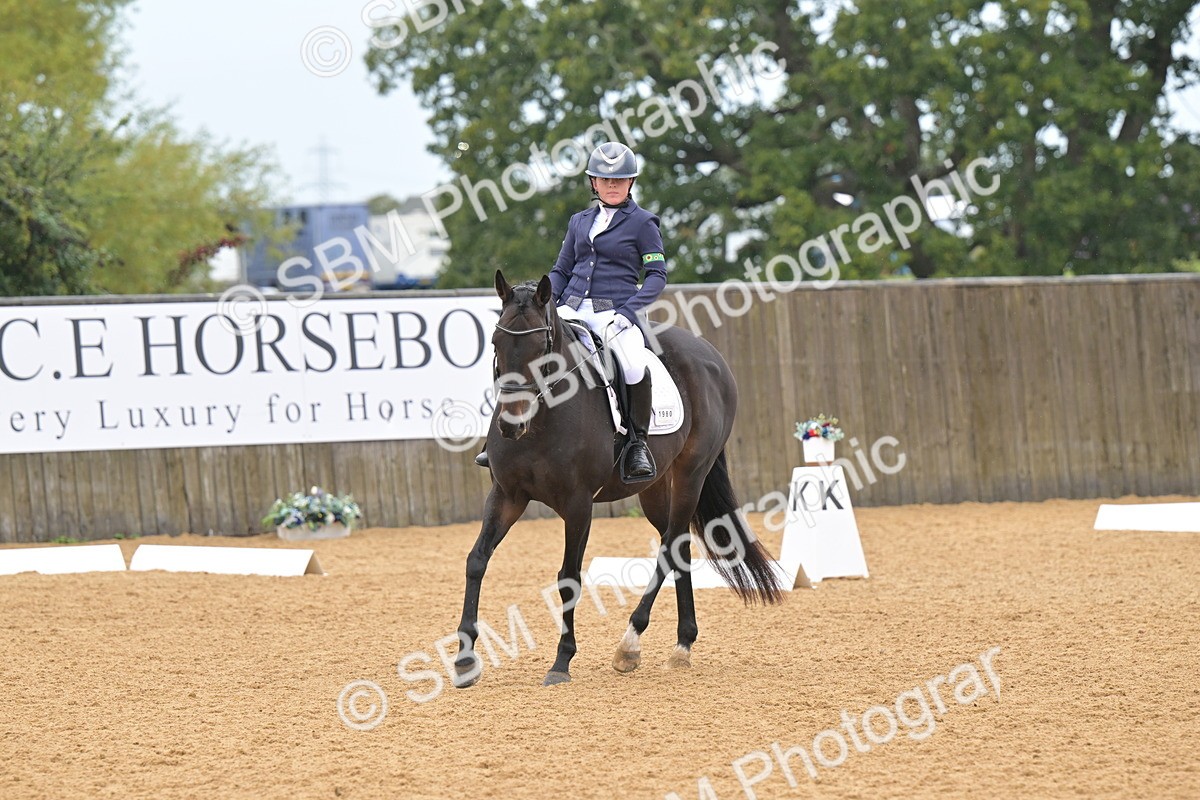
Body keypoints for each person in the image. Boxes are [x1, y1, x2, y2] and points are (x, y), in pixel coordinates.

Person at [477, 141, 668, 480]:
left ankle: (637, 444)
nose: (612, 186)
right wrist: (541, 303)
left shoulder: (643, 223)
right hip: (570, 310)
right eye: (605, 180)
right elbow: (562, 271)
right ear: (593, 183)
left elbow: (656, 276)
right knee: (521, 353)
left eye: (619, 180)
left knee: (634, 366)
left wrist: (629, 313)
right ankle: (501, 433)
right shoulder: (579, 222)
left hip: (615, 314)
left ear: (630, 184)